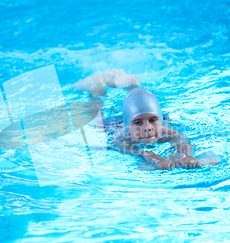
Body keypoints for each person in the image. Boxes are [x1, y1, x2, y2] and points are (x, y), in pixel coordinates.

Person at [75, 69, 221, 169]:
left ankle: (133, 87)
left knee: (142, 105)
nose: (147, 127)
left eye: (152, 121)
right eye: (139, 122)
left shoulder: (163, 128)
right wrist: (155, 159)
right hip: (114, 126)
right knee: (95, 119)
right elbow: (139, 152)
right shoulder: (121, 139)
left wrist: (185, 155)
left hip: (136, 117)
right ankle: (94, 90)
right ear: (128, 129)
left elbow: (180, 137)